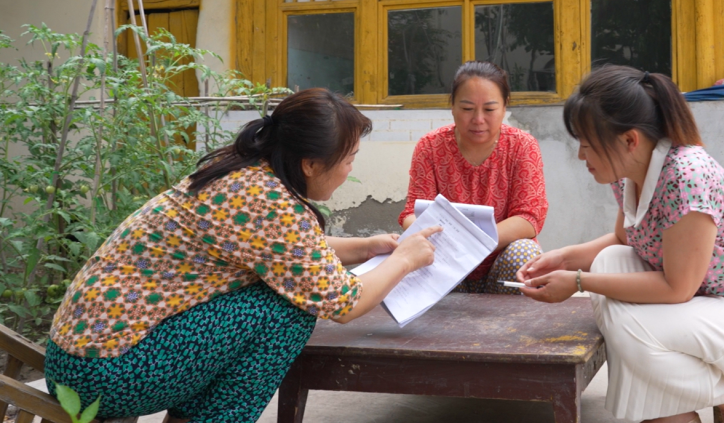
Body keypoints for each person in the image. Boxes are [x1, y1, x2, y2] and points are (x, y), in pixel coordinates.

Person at [44, 89, 441, 423]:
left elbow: (287, 254)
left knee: (276, 297)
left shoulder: (244, 172)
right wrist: (404, 260)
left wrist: (368, 247)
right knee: (286, 312)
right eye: (349, 158)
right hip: (106, 374)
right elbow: (344, 303)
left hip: (76, 359)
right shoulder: (269, 203)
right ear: (310, 164)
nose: (350, 168)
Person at [517, 66, 724, 423]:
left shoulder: (686, 175)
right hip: (714, 305)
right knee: (611, 261)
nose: (581, 156)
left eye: (586, 144)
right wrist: (564, 259)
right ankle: (672, 413)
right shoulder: (629, 171)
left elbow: (678, 288)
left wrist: (579, 282)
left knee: (628, 326)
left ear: (630, 140)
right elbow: (623, 240)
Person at [400, 61, 547, 294]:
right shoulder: (430, 146)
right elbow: (412, 214)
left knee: (525, 252)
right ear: (452, 106)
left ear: (505, 106)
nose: (478, 119)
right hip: (447, 258)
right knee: (410, 252)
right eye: (467, 109)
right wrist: (448, 245)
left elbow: (528, 218)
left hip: (501, 257)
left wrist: (471, 243)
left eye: (489, 110)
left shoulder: (522, 146)